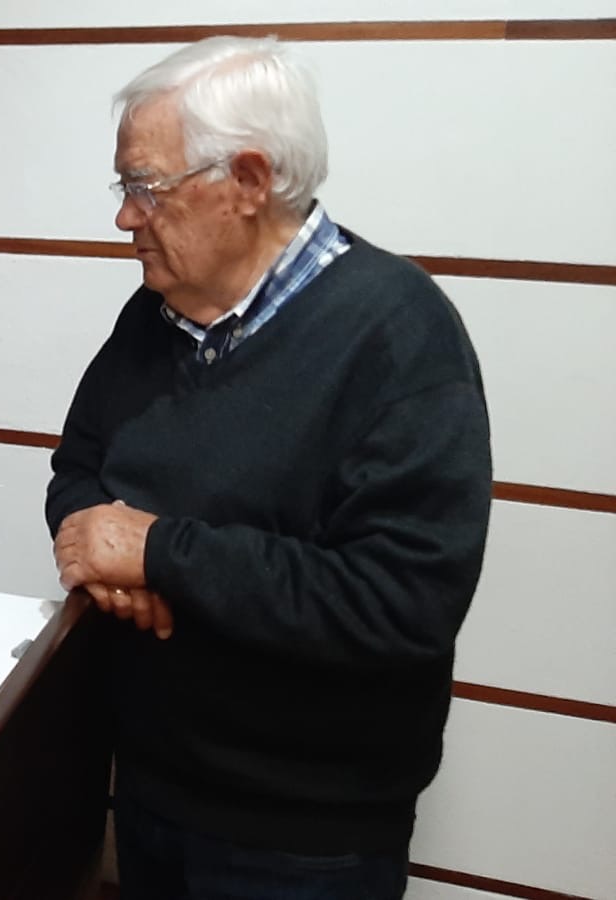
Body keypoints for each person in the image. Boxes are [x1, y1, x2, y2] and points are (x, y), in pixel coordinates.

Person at [46, 37, 491, 897]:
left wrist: (160, 554)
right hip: (147, 783)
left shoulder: (400, 335)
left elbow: (402, 604)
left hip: (304, 836)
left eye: (145, 187)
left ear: (248, 181)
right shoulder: (154, 316)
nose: (126, 217)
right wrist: (104, 556)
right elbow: (80, 468)